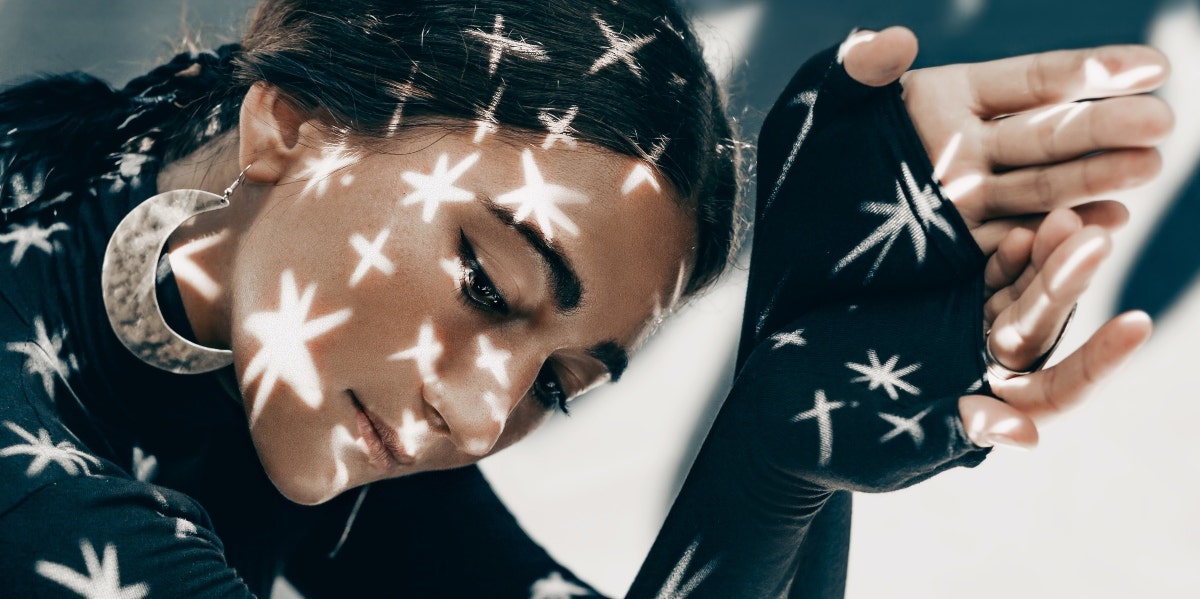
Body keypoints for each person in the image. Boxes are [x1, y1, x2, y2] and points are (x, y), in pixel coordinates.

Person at [0, 1, 1169, 597]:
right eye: (489, 283)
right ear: (288, 128)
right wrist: (763, 472)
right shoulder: (33, 495)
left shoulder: (274, 334)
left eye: (555, 384)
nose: (475, 416)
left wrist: (799, 356)